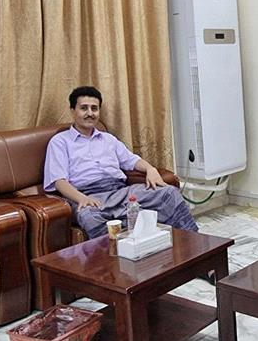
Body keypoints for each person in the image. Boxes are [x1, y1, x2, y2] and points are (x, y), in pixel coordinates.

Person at [43, 85, 200, 241]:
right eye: (84, 108)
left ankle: (191, 242)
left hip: (120, 191)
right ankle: (119, 254)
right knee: (88, 216)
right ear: (73, 111)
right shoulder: (60, 142)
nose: (90, 113)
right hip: (88, 195)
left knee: (169, 193)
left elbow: (132, 160)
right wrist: (81, 198)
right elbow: (59, 181)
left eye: (94, 108)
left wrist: (150, 169)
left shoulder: (108, 139)